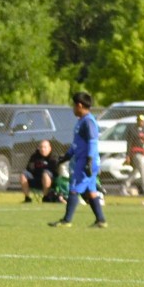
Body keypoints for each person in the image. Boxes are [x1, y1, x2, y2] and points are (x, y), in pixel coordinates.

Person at [50, 92, 107, 228]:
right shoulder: (81, 121)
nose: (73, 109)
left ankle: (66, 221)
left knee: (74, 189)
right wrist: (66, 156)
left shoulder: (88, 121)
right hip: (84, 160)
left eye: (74, 106)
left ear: (80, 105)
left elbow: (93, 142)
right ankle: (101, 220)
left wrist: (88, 161)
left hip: (86, 161)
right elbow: (77, 143)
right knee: (91, 191)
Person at [123, 115, 144, 198]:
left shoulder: (143, 130)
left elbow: (143, 142)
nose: (142, 122)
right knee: (143, 171)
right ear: (138, 121)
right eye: (141, 121)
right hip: (135, 153)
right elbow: (129, 144)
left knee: (135, 172)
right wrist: (128, 156)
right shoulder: (133, 130)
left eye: (143, 121)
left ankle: (123, 187)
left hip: (141, 152)